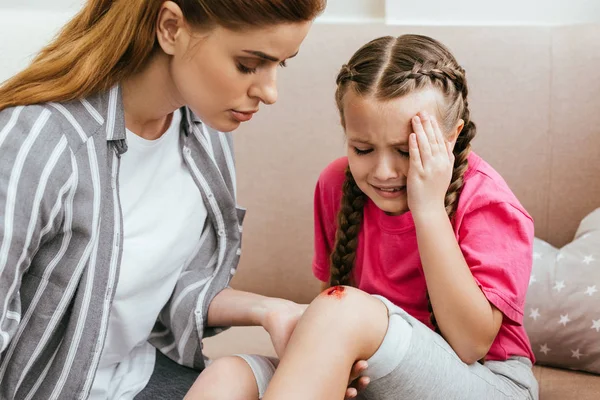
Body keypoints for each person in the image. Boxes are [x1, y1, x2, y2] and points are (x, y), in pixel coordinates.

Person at [0, 1, 342, 399]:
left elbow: (157, 288)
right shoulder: (38, 143)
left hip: (138, 377)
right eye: (249, 64)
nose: (269, 93)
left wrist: (269, 311)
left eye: (279, 65)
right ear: (170, 27)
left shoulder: (202, 133)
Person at [259, 34, 539, 399]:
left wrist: (428, 208)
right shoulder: (336, 185)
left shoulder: (488, 201)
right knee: (233, 374)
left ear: (451, 137)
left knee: (340, 308)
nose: (383, 171)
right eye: (362, 149)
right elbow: (330, 306)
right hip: (382, 373)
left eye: (406, 151)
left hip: (487, 380)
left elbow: (471, 346)